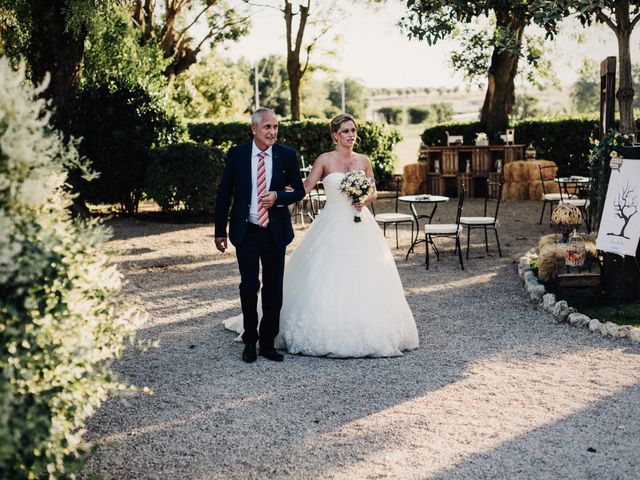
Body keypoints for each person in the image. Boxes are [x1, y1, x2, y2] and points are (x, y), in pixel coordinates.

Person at [225, 113, 419, 358]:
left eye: (353, 130)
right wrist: (288, 193)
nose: (351, 135)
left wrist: (364, 199)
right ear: (335, 135)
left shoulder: (363, 160)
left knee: (367, 275)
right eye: (346, 131)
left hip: (361, 226)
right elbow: (305, 187)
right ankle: (260, 337)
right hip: (332, 226)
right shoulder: (325, 160)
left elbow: (374, 193)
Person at [215, 108, 305, 363]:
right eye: (267, 127)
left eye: (275, 127)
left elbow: (298, 191)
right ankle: (250, 341)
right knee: (249, 286)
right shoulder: (238, 155)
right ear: (254, 129)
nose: (272, 132)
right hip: (247, 231)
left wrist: (278, 196)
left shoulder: (287, 155)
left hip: (275, 232)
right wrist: (220, 231)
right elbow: (224, 194)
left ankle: (267, 343)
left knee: (273, 290)